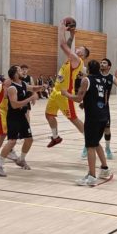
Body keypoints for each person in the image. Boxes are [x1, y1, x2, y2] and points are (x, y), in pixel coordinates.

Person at [63, 60, 113, 186]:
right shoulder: (102, 79)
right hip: (103, 115)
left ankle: (91, 176)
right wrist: (86, 103)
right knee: (96, 143)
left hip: (93, 118)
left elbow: (78, 98)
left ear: (89, 69)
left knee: (90, 146)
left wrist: (66, 94)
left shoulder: (86, 80)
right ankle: (105, 169)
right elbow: (101, 97)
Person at [45, 18, 90, 148]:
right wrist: (71, 35)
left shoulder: (77, 60)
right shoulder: (71, 58)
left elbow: (63, 45)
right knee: (49, 115)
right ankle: (56, 137)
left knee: (73, 119)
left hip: (65, 94)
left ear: (83, 55)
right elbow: (68, 46)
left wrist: (61, 29)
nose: (77, 48)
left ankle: (90, 140)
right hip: (56, 92)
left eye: (80, 49)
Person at [0, 65, 40, 176]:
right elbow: (14, 105)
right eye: (19, 70)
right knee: (12, 141)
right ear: (15, 74)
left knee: (29, 139)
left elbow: (33, 88)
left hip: (22, 116)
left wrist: (42, 87)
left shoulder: (23, 84)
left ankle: (21, 159)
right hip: (13, 117)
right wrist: (30, 98)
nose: (22, 71)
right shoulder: (12, 88)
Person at [81, 58, 117, 160]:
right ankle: (87, 146)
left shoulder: (111, 77)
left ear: (109, 67)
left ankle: (107, 148)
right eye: (101, 62)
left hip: (104, 107)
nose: (102, 64)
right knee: (90, 128)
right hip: (92, 107)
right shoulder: (95, 75)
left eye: (104, 63)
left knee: (107, 129)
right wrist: (84, 102)